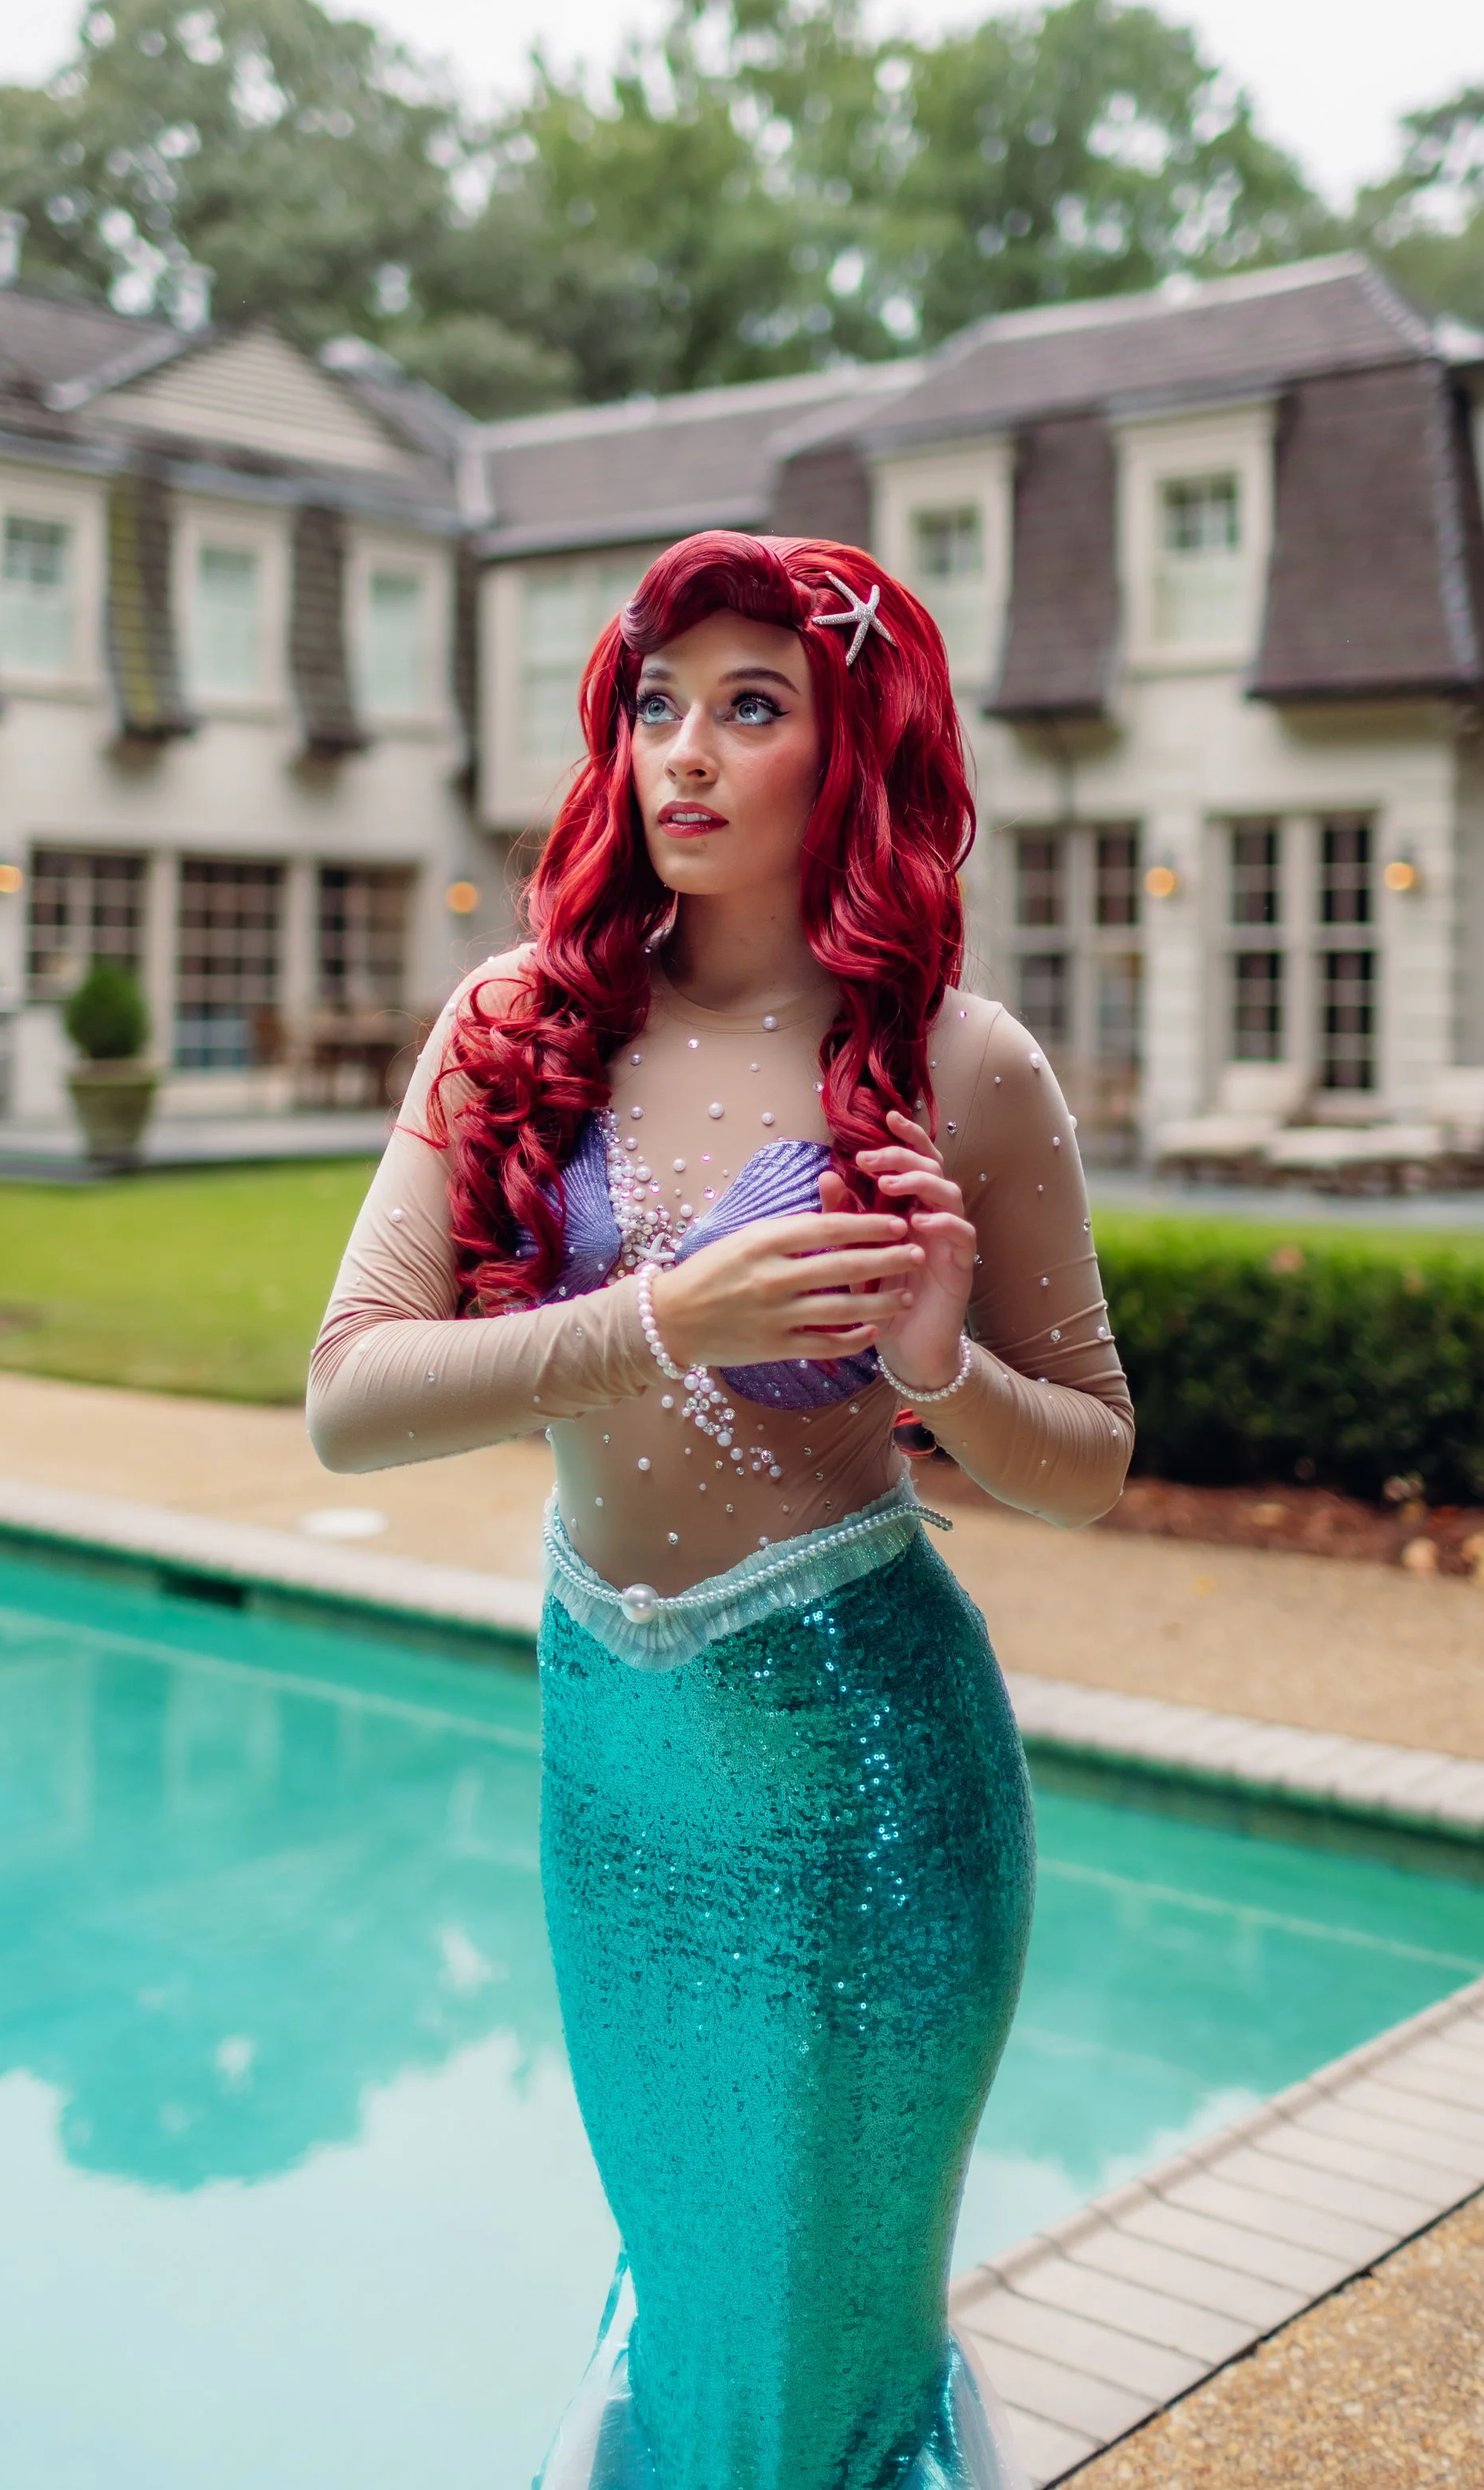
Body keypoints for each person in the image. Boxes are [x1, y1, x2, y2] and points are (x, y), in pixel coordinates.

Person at [308, 530, 1133, 2490]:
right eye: (655, 707)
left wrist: (936, 1368)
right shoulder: (514, 1024)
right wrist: (660, 1321)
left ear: (852, 749)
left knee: (817, 2368)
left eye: (749, 708)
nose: (681, 752)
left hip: (869, 1796)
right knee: (689, 2307)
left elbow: (1091, 1459)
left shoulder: (961, 1066)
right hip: (613, 1785)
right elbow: (348, 1400)